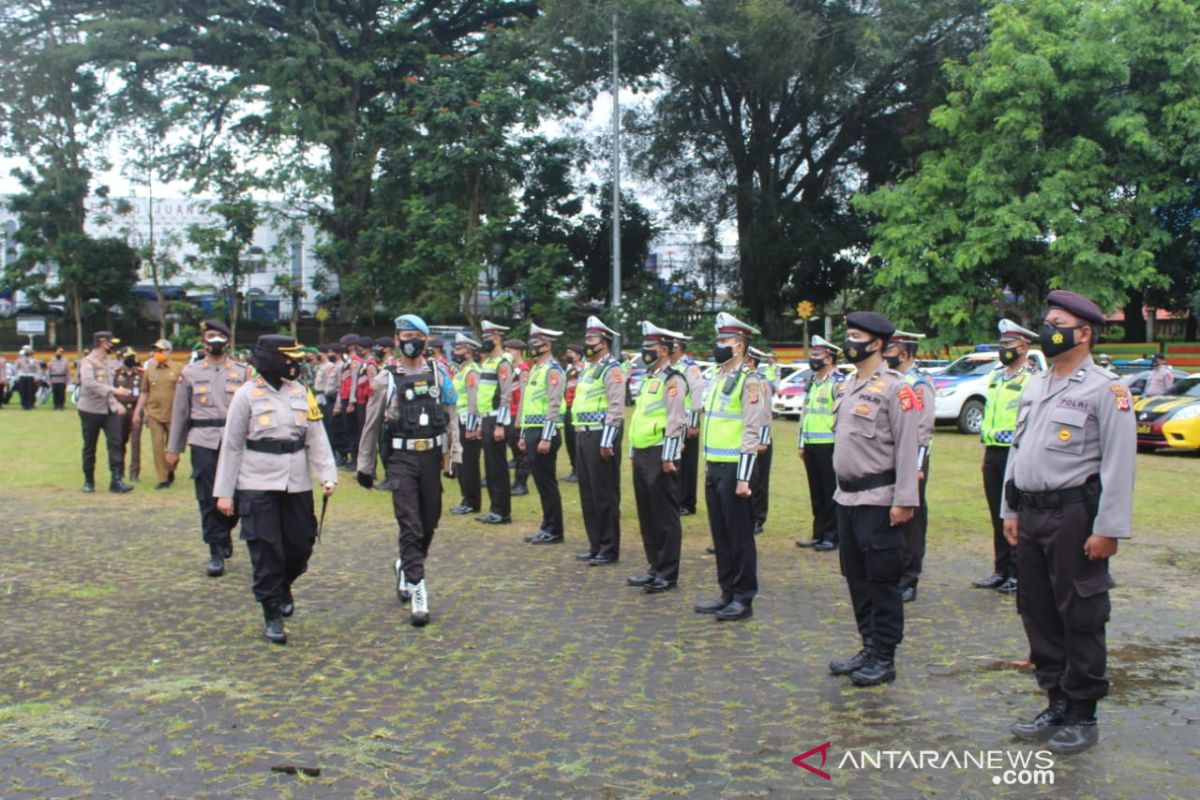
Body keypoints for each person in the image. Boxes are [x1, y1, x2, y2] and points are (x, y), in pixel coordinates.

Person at [1001, 290, 1135, 755]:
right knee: (1037, 611)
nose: (1046, 329)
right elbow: (1017, 451)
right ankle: (1055, 701)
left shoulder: (1105, 389)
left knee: (1080, 613)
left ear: (1084, 333)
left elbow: (1120, 464)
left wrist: (1108, 529)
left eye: (1056, 322)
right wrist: (1010, 509)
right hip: (1032, 512)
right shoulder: (1037, 383)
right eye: (1047, 320)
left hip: (1076, 517)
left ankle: (1083, 713)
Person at [213, 335, 337, 644]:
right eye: (289, 357)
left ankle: (284, 584)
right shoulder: (246, 395)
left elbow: (316, 436)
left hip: (296, 480)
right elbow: (231, 445)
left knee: (301, 544)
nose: (295, 363)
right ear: (270, 359)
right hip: (256, 481)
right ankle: (271, 611)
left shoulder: (302, 392)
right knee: (266, 547)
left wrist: (327, 474)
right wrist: (225, 492)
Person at [827, 311, 921, 687]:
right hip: (847, 498)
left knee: (882, 580)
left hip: (879, 499)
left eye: (854, 335)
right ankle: (867, 645)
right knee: (857, 578)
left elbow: (908, 449)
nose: (848, 342)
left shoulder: (898, 389)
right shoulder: (848, 385)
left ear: (877, 343)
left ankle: (885, 654)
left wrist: (904, 500)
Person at [356, 314, 460, 626]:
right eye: (404, 335)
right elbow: (371, 425)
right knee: (410, 524)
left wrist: (454, 455)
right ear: (396, 338)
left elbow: (452, 416)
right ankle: (418, 591)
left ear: (426, 340)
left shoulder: (440, 376)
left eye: (416, 335)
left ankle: (405, 564)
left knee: (429, 522)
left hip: (430, 456)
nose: (410, 341)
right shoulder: (385, 379)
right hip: (400, 459)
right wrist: (365, 465)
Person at [694, 313, 771, 621]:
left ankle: (743, 596)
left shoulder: (749, 381)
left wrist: (744, 477)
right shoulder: (718, 377)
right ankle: (726, 591)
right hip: (715, 465)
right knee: (721, 533)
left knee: (739, 535)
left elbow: (751, 431)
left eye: (724, 341)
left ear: (739, 346)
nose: (718, 346)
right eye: (719, 340)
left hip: (735, 468)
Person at [167, 320, 251, 577]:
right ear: (203, 343)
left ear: (228, 341)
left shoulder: (243, 372)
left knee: (237, 494)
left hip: (234, 439)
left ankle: (225, 529)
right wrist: (173, 448)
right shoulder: (190, 373)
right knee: (207, 496)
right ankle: (215, 548)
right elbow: (180, 412)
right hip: (202, 438)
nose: (214, 341)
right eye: (209, 337)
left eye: (219, 336)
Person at [974, 320, 1039, 595]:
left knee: (1014, 513)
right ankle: (1001, 569)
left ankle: (1018, 572)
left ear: (1023, 347)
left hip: (1017, 454)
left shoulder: (1032, 380)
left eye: (1009, 346)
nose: (1004, 350)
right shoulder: (996, 377)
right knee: (995, 515)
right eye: (1002, 345)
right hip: (993, 452)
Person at [626, 321, 687, 592]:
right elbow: (639, 416)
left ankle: (667, 572)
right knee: (647, 514)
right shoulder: (649, 377)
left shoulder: (672, 379)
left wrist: (669, 458)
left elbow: (676, 420)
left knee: (664, 515)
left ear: (663, 350)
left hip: (660, 452)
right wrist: (632, 449)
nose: (644, 351)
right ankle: (654, 566)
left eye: (649, 347)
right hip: (642, 450)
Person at [883, 330, 935, 604]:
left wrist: (915, 467)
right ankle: (893, 573)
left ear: (903, 354)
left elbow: (923, 430)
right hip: (889, 459)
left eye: (890, 350)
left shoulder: (918, 385)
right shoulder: (891, 382)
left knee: (911, 521)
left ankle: (909, 578)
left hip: (912, 460)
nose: (884, 355)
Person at [569, 317, 625, 564]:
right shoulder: (589, 368)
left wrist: (608, 441)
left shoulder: (612, 369)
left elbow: (616, 408)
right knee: (588, 493)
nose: (587, 343)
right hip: (583, 433)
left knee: (604, 494)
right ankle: (595, 544)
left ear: (604, 343)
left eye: (592, 339)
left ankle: (609, 547)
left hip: (600, 434)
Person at [517, 325, 566, 544]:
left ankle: (554, 529)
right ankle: (547, 525)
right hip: (533, 431)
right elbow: (530, 406)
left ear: (547, 346)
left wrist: (546, 436)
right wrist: (523, 434)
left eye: (536, 345)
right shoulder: (536, 369)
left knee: (547, 483)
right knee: (541, 483)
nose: (532, 349)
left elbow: (553, 405)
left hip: (545, 433)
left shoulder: (553, 370)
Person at [796, 336, 843, 551]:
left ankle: (832, 536)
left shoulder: (837, 383)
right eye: (813, 354)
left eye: (817, 355)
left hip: (829, 445)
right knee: (816, 492)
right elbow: (804, 414)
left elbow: (842, 417)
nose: (812, 358)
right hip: (811, 443)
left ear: (829, 359)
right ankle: (818, 533)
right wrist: (801, 442)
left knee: (830, 492)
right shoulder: (812, 382)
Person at [77, 332, 135, 493]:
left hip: (109, 408)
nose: (112, 346)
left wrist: (115, 402)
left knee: (116, 443)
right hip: (90, 409)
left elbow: (109, 384)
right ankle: (89, 481)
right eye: (110, 343)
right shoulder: (88, 362)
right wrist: (114, 390)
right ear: (102, 343)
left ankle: (116, 480)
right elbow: (88, 383)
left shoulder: (108, 362)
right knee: (90, 445)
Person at [475, 321, 517, 524]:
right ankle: (494, 508)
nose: (485, 342)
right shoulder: (488, 362)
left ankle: (502, 511)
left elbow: (505, 394)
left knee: (498, 467)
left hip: (496, 419)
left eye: (488, 338)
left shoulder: (503, 362)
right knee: (490, 467)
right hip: (486, 417)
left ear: (498, 338)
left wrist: (500, 424)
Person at [132, 339, 183, 489]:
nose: (157, 354)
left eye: (160, 351)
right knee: (157, 446)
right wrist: (137, 411)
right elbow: (144, 392)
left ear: (168, 351)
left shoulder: (179, 369)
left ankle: (171, 468)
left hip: (174, 415)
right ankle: (163, 478)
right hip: (154, 413)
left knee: (173, 448)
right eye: (155, 351)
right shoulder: (150, 370)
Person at [668, 337, 704, 517]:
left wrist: (694, 423)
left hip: (687, 421)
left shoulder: (690, 368)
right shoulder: (667, 366)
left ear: (680, 348)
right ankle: (675, 498)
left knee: (687, 465)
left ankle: (687, 503)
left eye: (672, 345)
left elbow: (697, 394)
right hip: (672, 421)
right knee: (673, 462)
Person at [450, 332, 483, 516]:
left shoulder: (472, 372)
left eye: (459, 348)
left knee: (469, 464)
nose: (456, 351)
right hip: (458, 421)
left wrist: (472, 426)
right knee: (461, 464)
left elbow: (473, 400)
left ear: (469, 351)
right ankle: (466, 498)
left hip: (467, 422)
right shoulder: (462, 370)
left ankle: (472, 501)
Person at [745, 347, 776, 534]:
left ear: (751, 362)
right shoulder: (742, 380)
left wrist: (762, 440)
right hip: (744, 439)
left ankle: (758, 518)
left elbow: (765, 412)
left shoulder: (760, 381)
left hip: (758, 439)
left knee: (758, 481)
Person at [114, 347, 144, 481]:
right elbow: (112, 392)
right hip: (120, 410)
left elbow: (145, 393)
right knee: (120, 441)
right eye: (126, 357)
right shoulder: (116, 374)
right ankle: (119, 470)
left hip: (136, 410)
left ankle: (134, 472)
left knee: (135, 442)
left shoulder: (141, 374)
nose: (129, 360)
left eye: (131, 357)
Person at [506, 339, 532, 496]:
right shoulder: (511, 368)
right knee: (514, 451)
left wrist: (520, 417)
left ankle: (521, 484)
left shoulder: (523, 370)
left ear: (518, 351)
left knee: (521, 452)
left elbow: (523, 395)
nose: (507, 352)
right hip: (509, 413)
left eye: (510, 350)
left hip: (517, 413)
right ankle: (517, 482)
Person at [562, 344, 585, 483]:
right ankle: (574, 469)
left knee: (576, 440)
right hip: (567, 407)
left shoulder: (582, 370)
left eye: (570, 352)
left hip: (576, 408)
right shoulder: (568, 370)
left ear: (577, 355)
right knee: (569, 440)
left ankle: (579, 470)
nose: (567, 355)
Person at [14, 345, 40, 410]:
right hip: (22, 376)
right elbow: (15, 368)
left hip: (31, 377)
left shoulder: (34, 360)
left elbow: (37, 369)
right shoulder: (19, 360)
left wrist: (36, 377)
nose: (27, 352)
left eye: (28, 350)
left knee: (31, 391)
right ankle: (24, 404)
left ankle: (30, 404)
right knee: (23, 391)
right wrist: (17, 375)